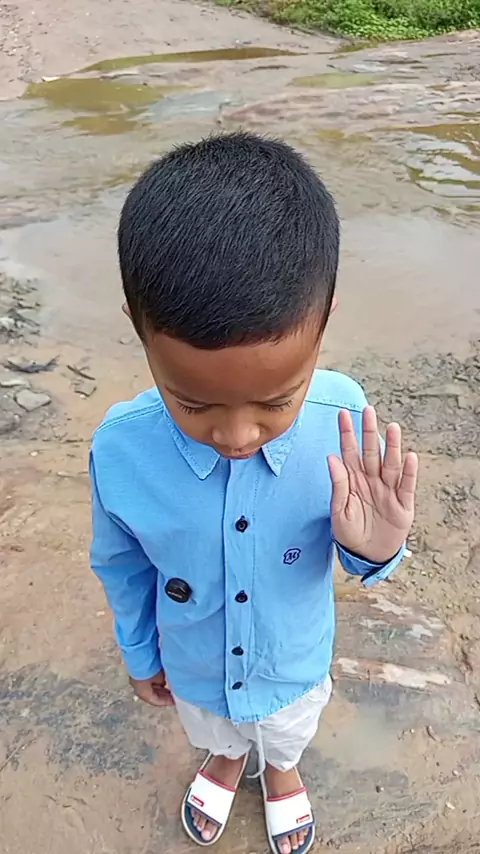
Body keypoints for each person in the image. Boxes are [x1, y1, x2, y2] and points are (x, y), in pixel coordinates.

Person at [90, 132, 418, 854]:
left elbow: (360, 544)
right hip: (195, 665)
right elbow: (121, 564)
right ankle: (225, 758)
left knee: (289, 726)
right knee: (212, 725)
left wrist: (376, 550)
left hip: (293, 663)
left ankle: (282, 769)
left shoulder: (344, 422)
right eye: (193, 403)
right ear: (139, 330)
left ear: (323, 325)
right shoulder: (119, 450)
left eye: (275, 402)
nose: (237, 435)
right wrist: (141, 653)